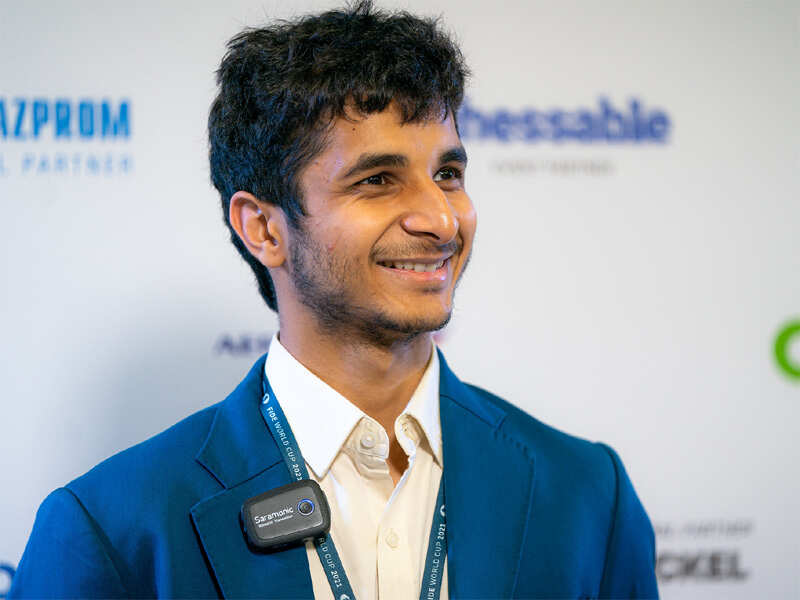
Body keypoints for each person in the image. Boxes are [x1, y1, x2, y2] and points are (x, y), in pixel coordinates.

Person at [9, 1, 658, 598]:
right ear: (264, 228)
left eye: (447, 174)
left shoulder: (588, 496)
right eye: (377, 180)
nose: (440, 219)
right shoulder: (114, 529)